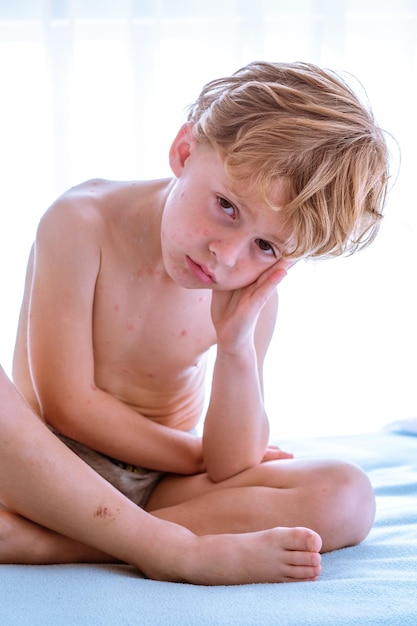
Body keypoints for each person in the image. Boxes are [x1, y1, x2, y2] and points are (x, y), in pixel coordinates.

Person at [2, 61, 388, 583]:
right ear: (185, 152)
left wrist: (235, 349)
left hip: (162, 483)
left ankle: (58, 542)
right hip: (47, 468)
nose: (226, 257)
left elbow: (231, 465)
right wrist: (194, 455)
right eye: (227, 206)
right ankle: (156, 543)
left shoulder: (248, 292)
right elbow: (66, 405)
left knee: (347, 496)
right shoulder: (81, 222)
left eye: (266, 246)